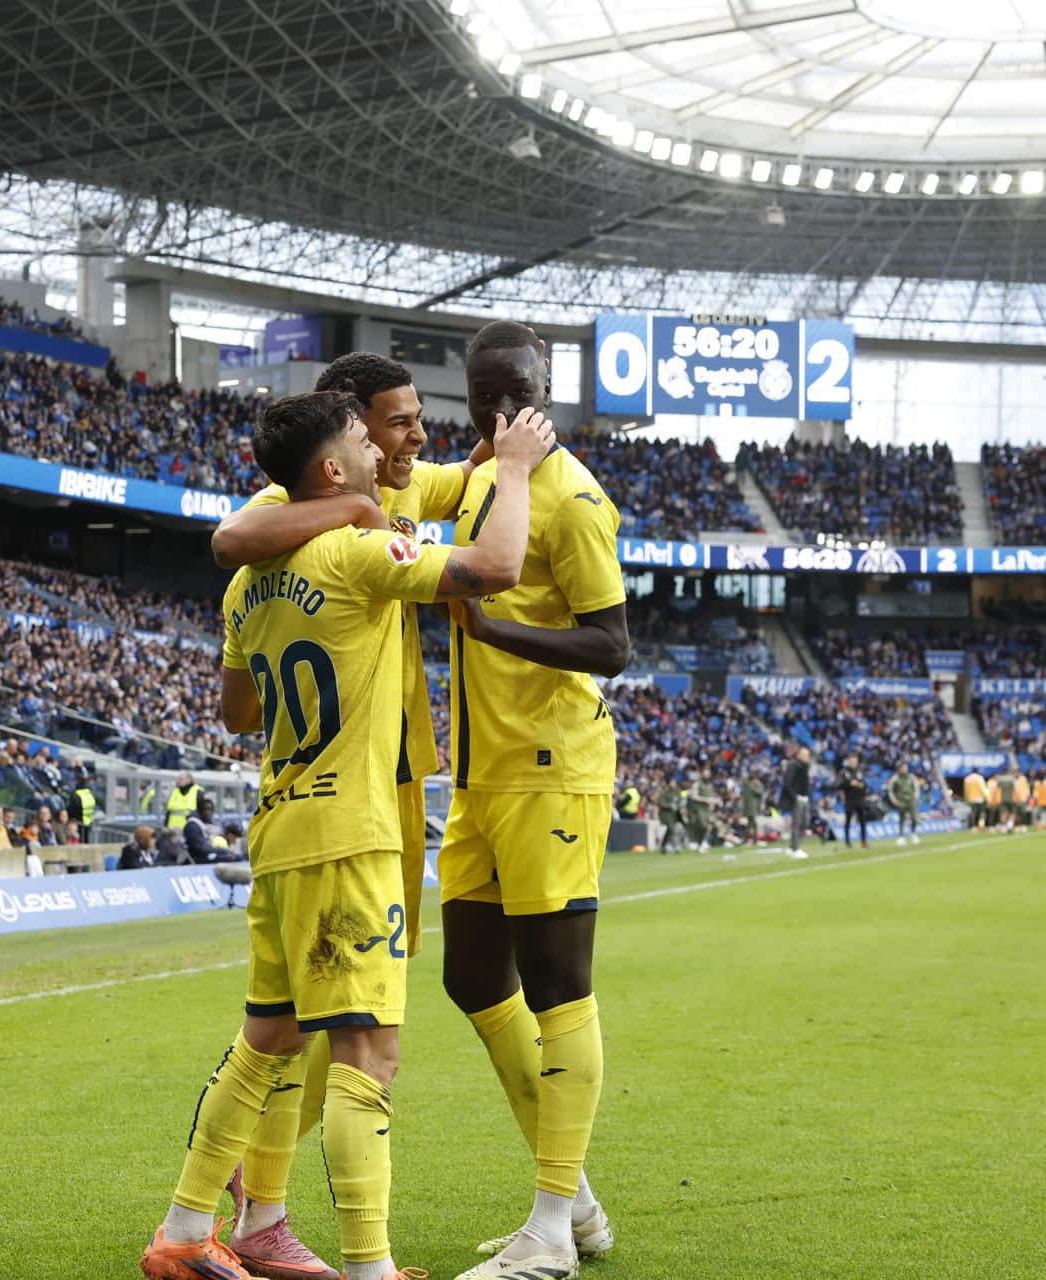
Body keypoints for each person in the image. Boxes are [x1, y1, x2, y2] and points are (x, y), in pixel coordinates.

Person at [138, 387, 548, 1280]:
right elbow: (496, 566)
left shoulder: (247, 587)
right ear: (332, 468)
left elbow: (240, 712)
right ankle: (368, 1269)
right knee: (369, 1049)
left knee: (268, 1039)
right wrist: (512, 468)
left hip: (280, 829)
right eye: (365, 440)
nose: (376, 453)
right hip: (349, 832)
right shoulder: (358, 553)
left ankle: (181, 1233)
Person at [440, 322, 628, 1279]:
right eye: (484, 394)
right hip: (481, 773)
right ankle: (580, 1202)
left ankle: (552, 1224)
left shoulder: (575, 499)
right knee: (471, 978)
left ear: (545, 391)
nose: (500, 409)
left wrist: (495, 630)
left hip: (554, 764)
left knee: (558, 985)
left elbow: (613, 644)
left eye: (515, 391)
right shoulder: (482, 481)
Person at [781, 746, 812, 858]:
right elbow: (788, 782)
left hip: (804, 797)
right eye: (804, 754)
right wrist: (794, 797)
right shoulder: (793, 764)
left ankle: (792, 847)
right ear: (798, 754)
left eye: (807, 755)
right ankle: (795, 848)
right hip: (797, 798)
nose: (807, 757)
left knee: (805, 823)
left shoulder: (804, 766)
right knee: (798, 824)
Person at [182, 795, 229, 865]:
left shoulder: (211, 825)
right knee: (230, 858)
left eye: (210, 810)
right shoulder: (193, 826)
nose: (208, 813)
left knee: (236, 857)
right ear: (199, 811)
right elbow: (201, 849)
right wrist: (224, 851)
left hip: (207, 855)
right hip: (196, 859)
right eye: (205, 809)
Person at [837, 752, 870, 848]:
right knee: (848, 821)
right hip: (849, 800)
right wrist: (849, 784)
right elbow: (839, 785)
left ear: (857, 762)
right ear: (848, 761)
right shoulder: (843, 772)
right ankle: (848, 842)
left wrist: (858, 784)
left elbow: (865, 785)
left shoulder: (860, 771)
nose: (853, 763)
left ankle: (863, 841)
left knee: (862, 821)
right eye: (851, 761)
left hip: (860, 799)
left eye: (855, 761)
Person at [885, 761, 921, 846]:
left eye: (906, 767)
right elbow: (891, 791)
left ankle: (913, 833)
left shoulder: (911, 777)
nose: (905, 769)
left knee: (914, 818)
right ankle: (901, 837)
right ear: (900, 768)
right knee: (902, 819)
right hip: (901, 802)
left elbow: (916, 788)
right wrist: (894, 801)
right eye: (903, 767)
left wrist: (915, 798)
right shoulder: (895, 778)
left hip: (911, 801)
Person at [655, 780, 685, 853]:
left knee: (669, 831)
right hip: (665, 814)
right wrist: (669, 805)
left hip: (674, 814)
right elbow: (660, 802)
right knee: (672, 829)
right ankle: (675, 846)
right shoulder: (664, 792)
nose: (673, 785)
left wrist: (680, 804)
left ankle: (663, 846)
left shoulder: (677, 792)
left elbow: (680, 800)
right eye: (671, 783)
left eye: (674, 783)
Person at [69, 773, 100, 841]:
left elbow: (72, 808)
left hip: (79, 822)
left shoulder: (76, 794)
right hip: (89, 821)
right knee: (87, 840)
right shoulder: (89, 792)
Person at [740, 775, 764, 841]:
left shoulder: (747, 786)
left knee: (750, 824)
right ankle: (755, 840)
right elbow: (760, 792)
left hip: (748, 808)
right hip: (752, 808)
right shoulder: (751, 786)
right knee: (754, 824)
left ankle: (746, 839)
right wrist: (760, 785)